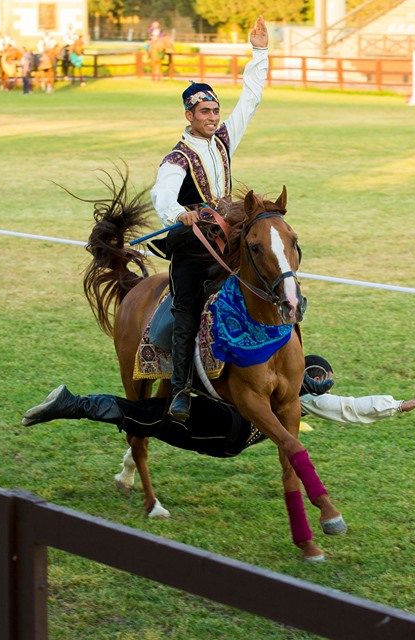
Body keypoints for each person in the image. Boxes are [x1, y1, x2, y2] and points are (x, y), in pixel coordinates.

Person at [148, 16, 269, 423]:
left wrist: (259, 51)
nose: (213, 116)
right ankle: (180, 389)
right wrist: (179, 214)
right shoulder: (177, 157)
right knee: (187, 310)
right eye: (205, 111)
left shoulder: (224, 139)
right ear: (189, 114)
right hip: (192, 245)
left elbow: (250, 99)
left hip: (227, 238)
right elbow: (162, 194)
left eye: (215, 110)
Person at [21, 355, 415, 458]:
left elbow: (349, 407)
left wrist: (398, 405)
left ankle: (72, 404)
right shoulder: (294, 394)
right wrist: (397, 405)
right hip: (223, 429)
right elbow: (350, 407)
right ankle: (72, 404)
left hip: (223, 430)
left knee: (146, 416)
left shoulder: (294, 396)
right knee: (147, 417)